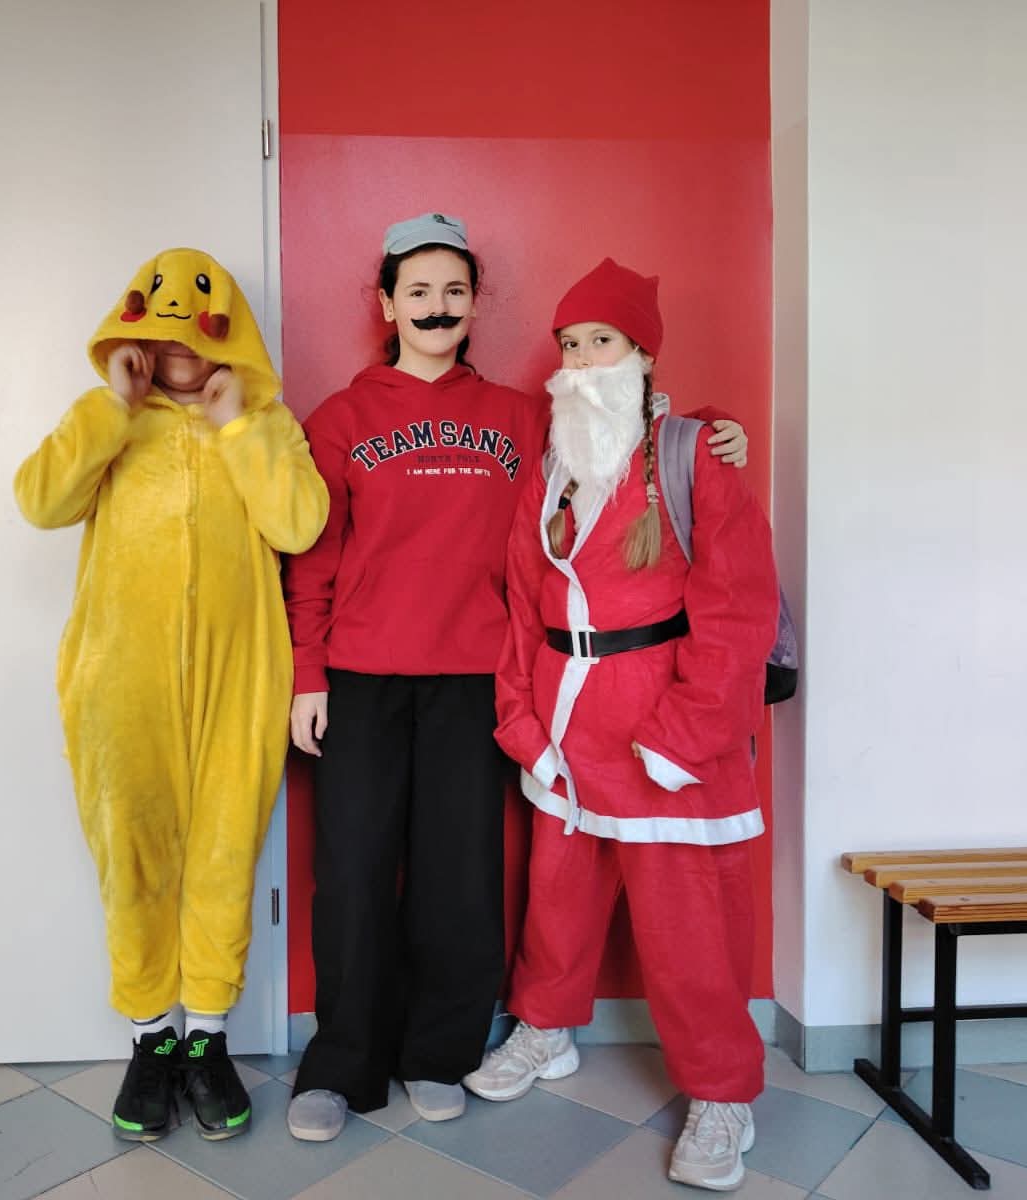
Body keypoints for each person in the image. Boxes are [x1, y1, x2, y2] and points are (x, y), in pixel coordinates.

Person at [282, 219, 749, 1143]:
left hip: (476, 679)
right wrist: (308, 673)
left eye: (454, 291)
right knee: (353, 876)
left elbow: (616, 435)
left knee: (462, 880)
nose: (437, 307)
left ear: (473, 304)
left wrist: (713, 428)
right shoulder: (337, 419)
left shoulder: (519, 416)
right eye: (418, 291)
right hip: (361, 678)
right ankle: (342, 1066)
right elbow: (314, 561)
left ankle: (438, 1054)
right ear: (386, 304)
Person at [464, 258, 779, 1193]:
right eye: (569, 345)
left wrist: (686, 734)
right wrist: (522, 719)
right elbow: (521, 602)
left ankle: (722, 1092)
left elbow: (737, 608)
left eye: (600, 342)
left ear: (641, 354)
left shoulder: (695, 456)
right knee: (558, 896)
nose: (580, 361)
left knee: (688, 925)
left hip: (665, 726)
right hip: (567, 717)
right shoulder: (550, 467)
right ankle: (546, 1029)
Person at [14, 248, 328, 1143]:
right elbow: (40, 501)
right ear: (135, 335)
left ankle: (208, 1038)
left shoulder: (266, 422)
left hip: (240, 677)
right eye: (162, 328)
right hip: (122, 678)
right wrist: (111, 407)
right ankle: (151, 1036)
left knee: (227, 850)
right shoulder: (113, 418)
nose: (181, 345)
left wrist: (238, 428)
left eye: (198, 326)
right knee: (133, 850)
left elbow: (299, 522)